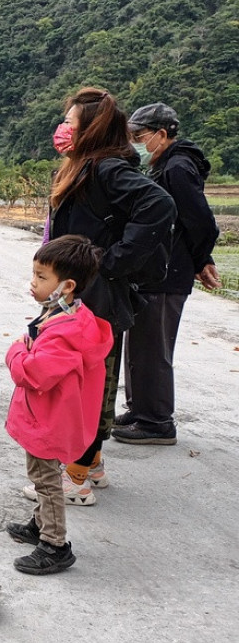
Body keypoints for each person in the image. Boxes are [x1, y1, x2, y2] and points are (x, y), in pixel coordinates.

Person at [43, 88, 176, 503]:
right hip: (80, 289)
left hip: (97, 295)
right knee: (93, 378)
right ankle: (93, 463)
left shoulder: (104, 169)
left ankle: (77, 477)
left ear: (91, 130)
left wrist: (112, 261)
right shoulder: (83, 167)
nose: (63, 129)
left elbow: (159, 204)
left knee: (83, 385)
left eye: (71, 123)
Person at [114, 103, 223, 445]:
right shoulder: (165, 164)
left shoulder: (177, 167)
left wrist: (201, 257)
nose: (136, 144)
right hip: (156, 270)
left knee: (153, 347)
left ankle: (157, 421)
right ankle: (140, 410)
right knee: (140, 344)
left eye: (139, 137)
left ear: (162, 134)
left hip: (167, 272)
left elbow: (201, 220)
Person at [4, 236, 113, 575]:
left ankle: (55, 544)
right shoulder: (70, 316)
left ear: (66, 286)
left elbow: (32, 372)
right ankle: (39, 525)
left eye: (41, 277)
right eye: (34, 274)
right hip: (53, 413)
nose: (32, 283)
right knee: (44, 477)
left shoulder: (63, 332)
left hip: (48, 418)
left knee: (47, 481)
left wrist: (16, 350)